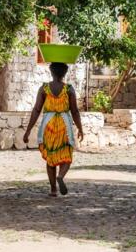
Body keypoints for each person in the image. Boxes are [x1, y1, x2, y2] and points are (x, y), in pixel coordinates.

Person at [23, 62, 84, 196]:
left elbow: (36, 110)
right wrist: (80, 128)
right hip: (64, 125)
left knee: (51, 157)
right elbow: (75, 111)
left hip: (48, 125)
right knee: (66, 155)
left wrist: (28, 131)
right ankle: (61, 176)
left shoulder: (44, 89)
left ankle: (53, 190)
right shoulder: (69, 89)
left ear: (51, 72)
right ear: (65, 73)